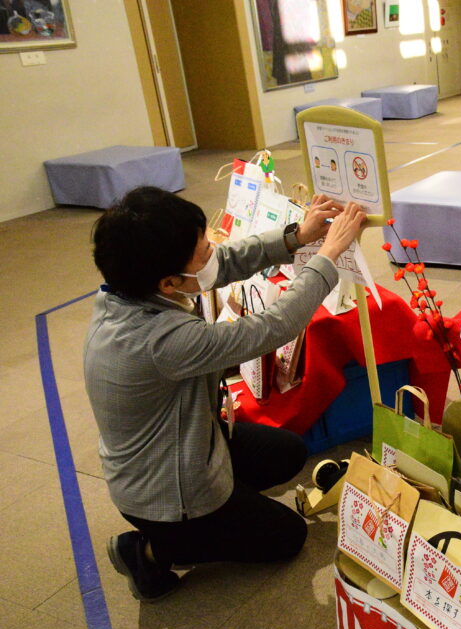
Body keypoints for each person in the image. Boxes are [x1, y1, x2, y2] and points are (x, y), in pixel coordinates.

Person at [84, 186, 365, 601]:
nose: (213, 250)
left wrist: (296, 236)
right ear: (168, 281)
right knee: (287, 538)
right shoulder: (161, 340)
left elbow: (222, 262)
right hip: (167, 492)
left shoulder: (128, 289)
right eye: (201, 251)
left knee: (287, 452)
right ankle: (149, 548)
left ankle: (224, 512)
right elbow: (271, 328)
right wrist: (327, 257)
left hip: (186, 444)